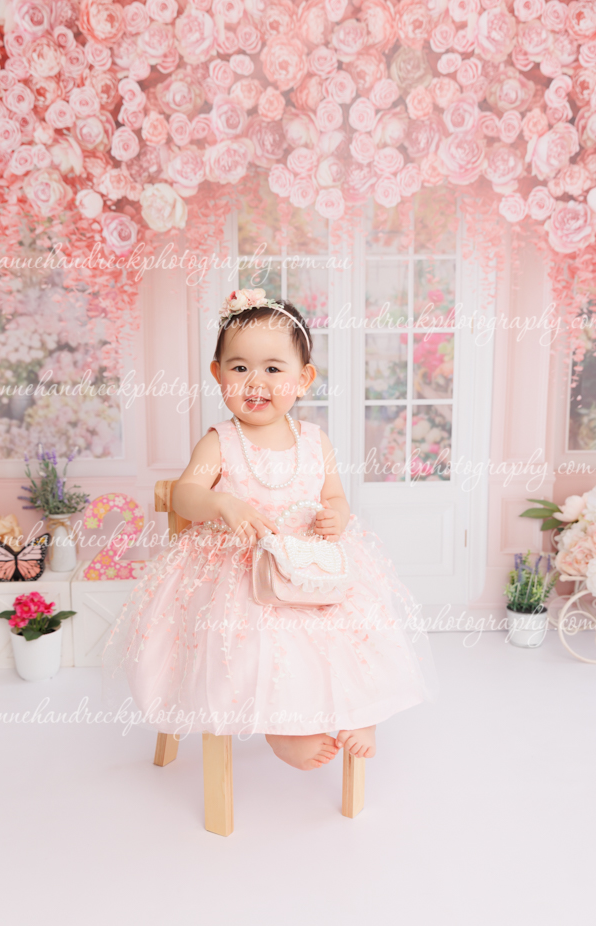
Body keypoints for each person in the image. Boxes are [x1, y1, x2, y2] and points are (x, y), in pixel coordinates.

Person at [103, 288, 438, 771]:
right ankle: (286, 729)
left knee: (354, 624)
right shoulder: (220, 441)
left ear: (304, 380)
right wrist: (219, 502)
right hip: (238, 568)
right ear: (218, 374)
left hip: (308, 562)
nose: (255, 382)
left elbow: (335, 496)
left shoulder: (314, 440)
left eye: (274, 369)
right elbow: (184, 495)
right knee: (264, 636)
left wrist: (336, 515)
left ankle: (359, 710)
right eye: (239, 368)